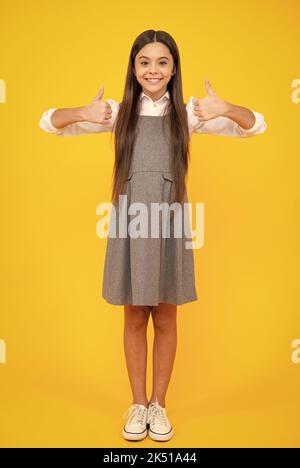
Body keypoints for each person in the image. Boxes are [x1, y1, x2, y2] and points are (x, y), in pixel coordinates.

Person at [39, 29, 267, 442]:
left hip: (170, 222)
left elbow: (256, 127)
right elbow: (48, 123)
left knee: (164, 314)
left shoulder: (190, 113)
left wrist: (227, 108)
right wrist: (82, 113)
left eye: (162, 62)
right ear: (134, 67)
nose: (153, 70)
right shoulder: (117, 111)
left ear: (174, 68)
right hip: (131, 222)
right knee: (132, 315)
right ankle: (137, 403)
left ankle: (159, 406)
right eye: (145, 62)